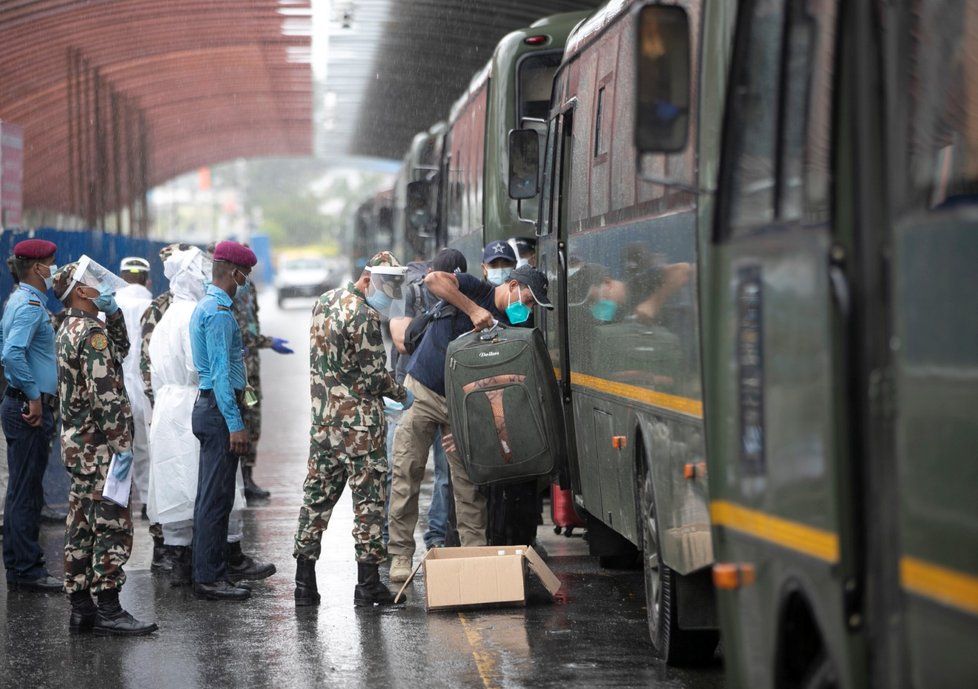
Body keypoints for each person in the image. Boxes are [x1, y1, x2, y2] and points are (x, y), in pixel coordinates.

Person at [387, 264, 554, 582]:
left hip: (462, 407)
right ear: (514, 285)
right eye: (529, 300)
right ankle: (400, 556)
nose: (527, 309)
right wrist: (474, 309)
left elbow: (498, 388)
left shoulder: (511, 330)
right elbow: (433, 280)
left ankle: (475, 556)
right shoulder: (477, 289)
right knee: (406, 473)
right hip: (421, 391)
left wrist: (470, 431)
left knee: (467, 487)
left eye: (532, 305)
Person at [148, 247, 273, 587]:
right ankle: (210, 578)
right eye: (245, 275)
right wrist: (236, 424)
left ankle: (209, 572)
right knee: (215, 499)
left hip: (206, 407)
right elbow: (219, 374)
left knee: (209, 497)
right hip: (218, 410)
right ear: (234, 273)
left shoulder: (204, 307)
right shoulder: (217, 311)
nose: (246, 282)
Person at [293, 251, 412, 608]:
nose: (387, 294)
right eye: (385, 285)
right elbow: (376, 376)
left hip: (324, 424)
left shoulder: (324, 301)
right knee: (368, 505)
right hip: (360, 429)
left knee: (316, 501)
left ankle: (304, 584)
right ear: (367, 278)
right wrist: (402, 394)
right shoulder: (364, 315)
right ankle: (368, 585)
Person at [52, 259, 157, 635]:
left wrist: (112, 315)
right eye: (95, 284)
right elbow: (106, 396)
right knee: (111, 524)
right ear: (81, 292)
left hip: (78, 446)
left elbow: (121, 349)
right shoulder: (90, 335)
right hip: (100, 447)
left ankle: (81, 606)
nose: (104, 288)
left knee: (80, 523)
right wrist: (122, 445)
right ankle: (110, 608)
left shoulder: (70, 327)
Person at [387, 248, 468, 550]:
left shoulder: (463, 297)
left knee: (448, 475)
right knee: (402, 470)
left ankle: (437, 538)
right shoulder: (409, 292)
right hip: (409, 391)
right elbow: (402, 340)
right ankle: (390, 543)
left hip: (447, 390)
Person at [0, 239, 62, 593]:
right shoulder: (29, 306)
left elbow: (3, 342)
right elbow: (11, 352)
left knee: (24, 489)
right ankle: (25, 569)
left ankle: (22, 564)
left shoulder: (21, 300)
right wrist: (34, 395)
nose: (54, 269)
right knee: (25, 491)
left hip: (21, 401)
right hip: (27, 407)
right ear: (38, 268)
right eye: (52, 263)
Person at [233, 277, 293, 504]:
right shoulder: (224, 290)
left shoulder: (248, 286)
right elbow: (239, 333)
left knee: (253, 423)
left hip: (252, 369)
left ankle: (248, 477)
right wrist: (269, 342)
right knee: (240, 422)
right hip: (238, 371)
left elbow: (252, 321)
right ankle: (238, 479)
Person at [115, 258, 153, 513]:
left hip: (114, 385)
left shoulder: (109, 304)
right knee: (146, 448)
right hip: (144, 384)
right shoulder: (152, 306)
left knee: (117, 446)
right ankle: (149, 502)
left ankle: (116, 499)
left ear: (121, 276)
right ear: (146, 279)